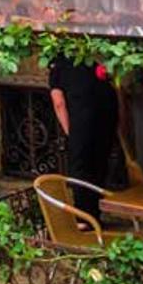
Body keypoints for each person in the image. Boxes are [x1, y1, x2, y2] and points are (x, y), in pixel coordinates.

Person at [48, 56, 119, 219]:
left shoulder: (59, 64)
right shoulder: (95, 58)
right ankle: (95, 213)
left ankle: (84, 218)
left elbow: (58, 102)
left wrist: (69, 131)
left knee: (80, 170)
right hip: (106, 117)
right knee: (99, 165)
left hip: (80, 121)